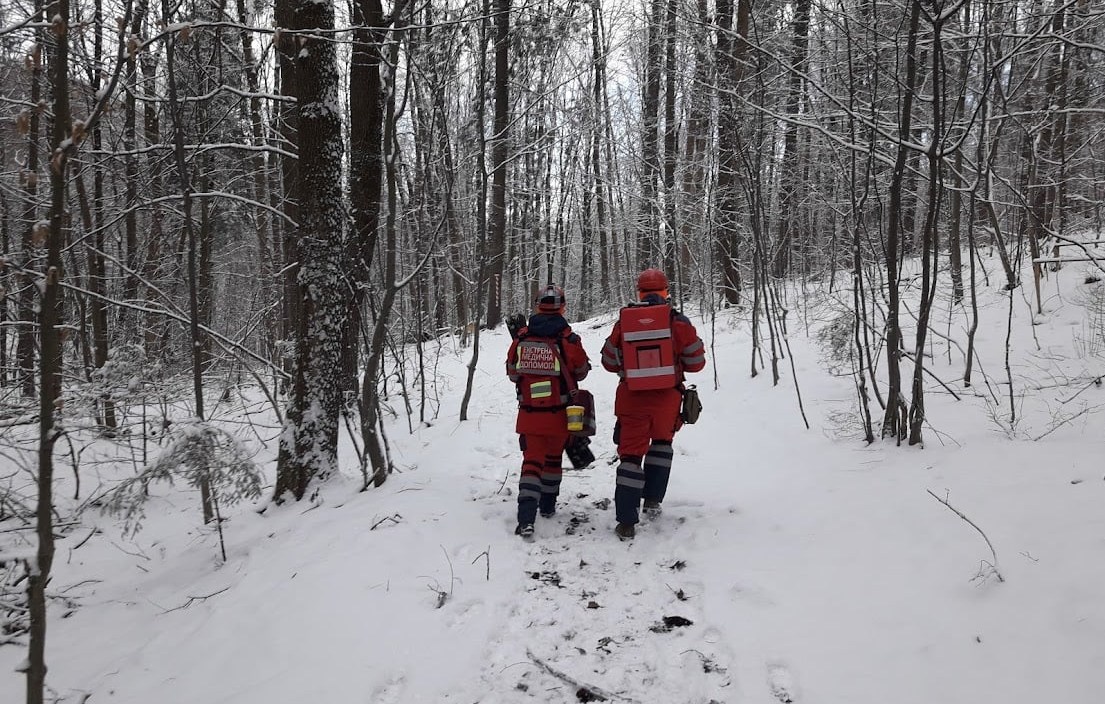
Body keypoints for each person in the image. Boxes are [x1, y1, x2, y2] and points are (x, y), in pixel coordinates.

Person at [601, 268, 706, 539]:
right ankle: (652, 501)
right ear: (665, 291)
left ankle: (626, 522)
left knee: (630, 457)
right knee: (661, 446)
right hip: (667, 399)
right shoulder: (677, 321)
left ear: (639, 291)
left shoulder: (624, 322)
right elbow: (696, 363)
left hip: (631, 398)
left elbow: (609, 362)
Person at [506, 284, 591, 540]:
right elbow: (581, 372)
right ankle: (548, 506)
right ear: (562, 307)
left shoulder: (521, 339)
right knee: (553, 461)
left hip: (530, 416)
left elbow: (512, 374)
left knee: (531, 465)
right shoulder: (569, 340)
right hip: (560, 415)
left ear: (537, 306)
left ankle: (526, 520)